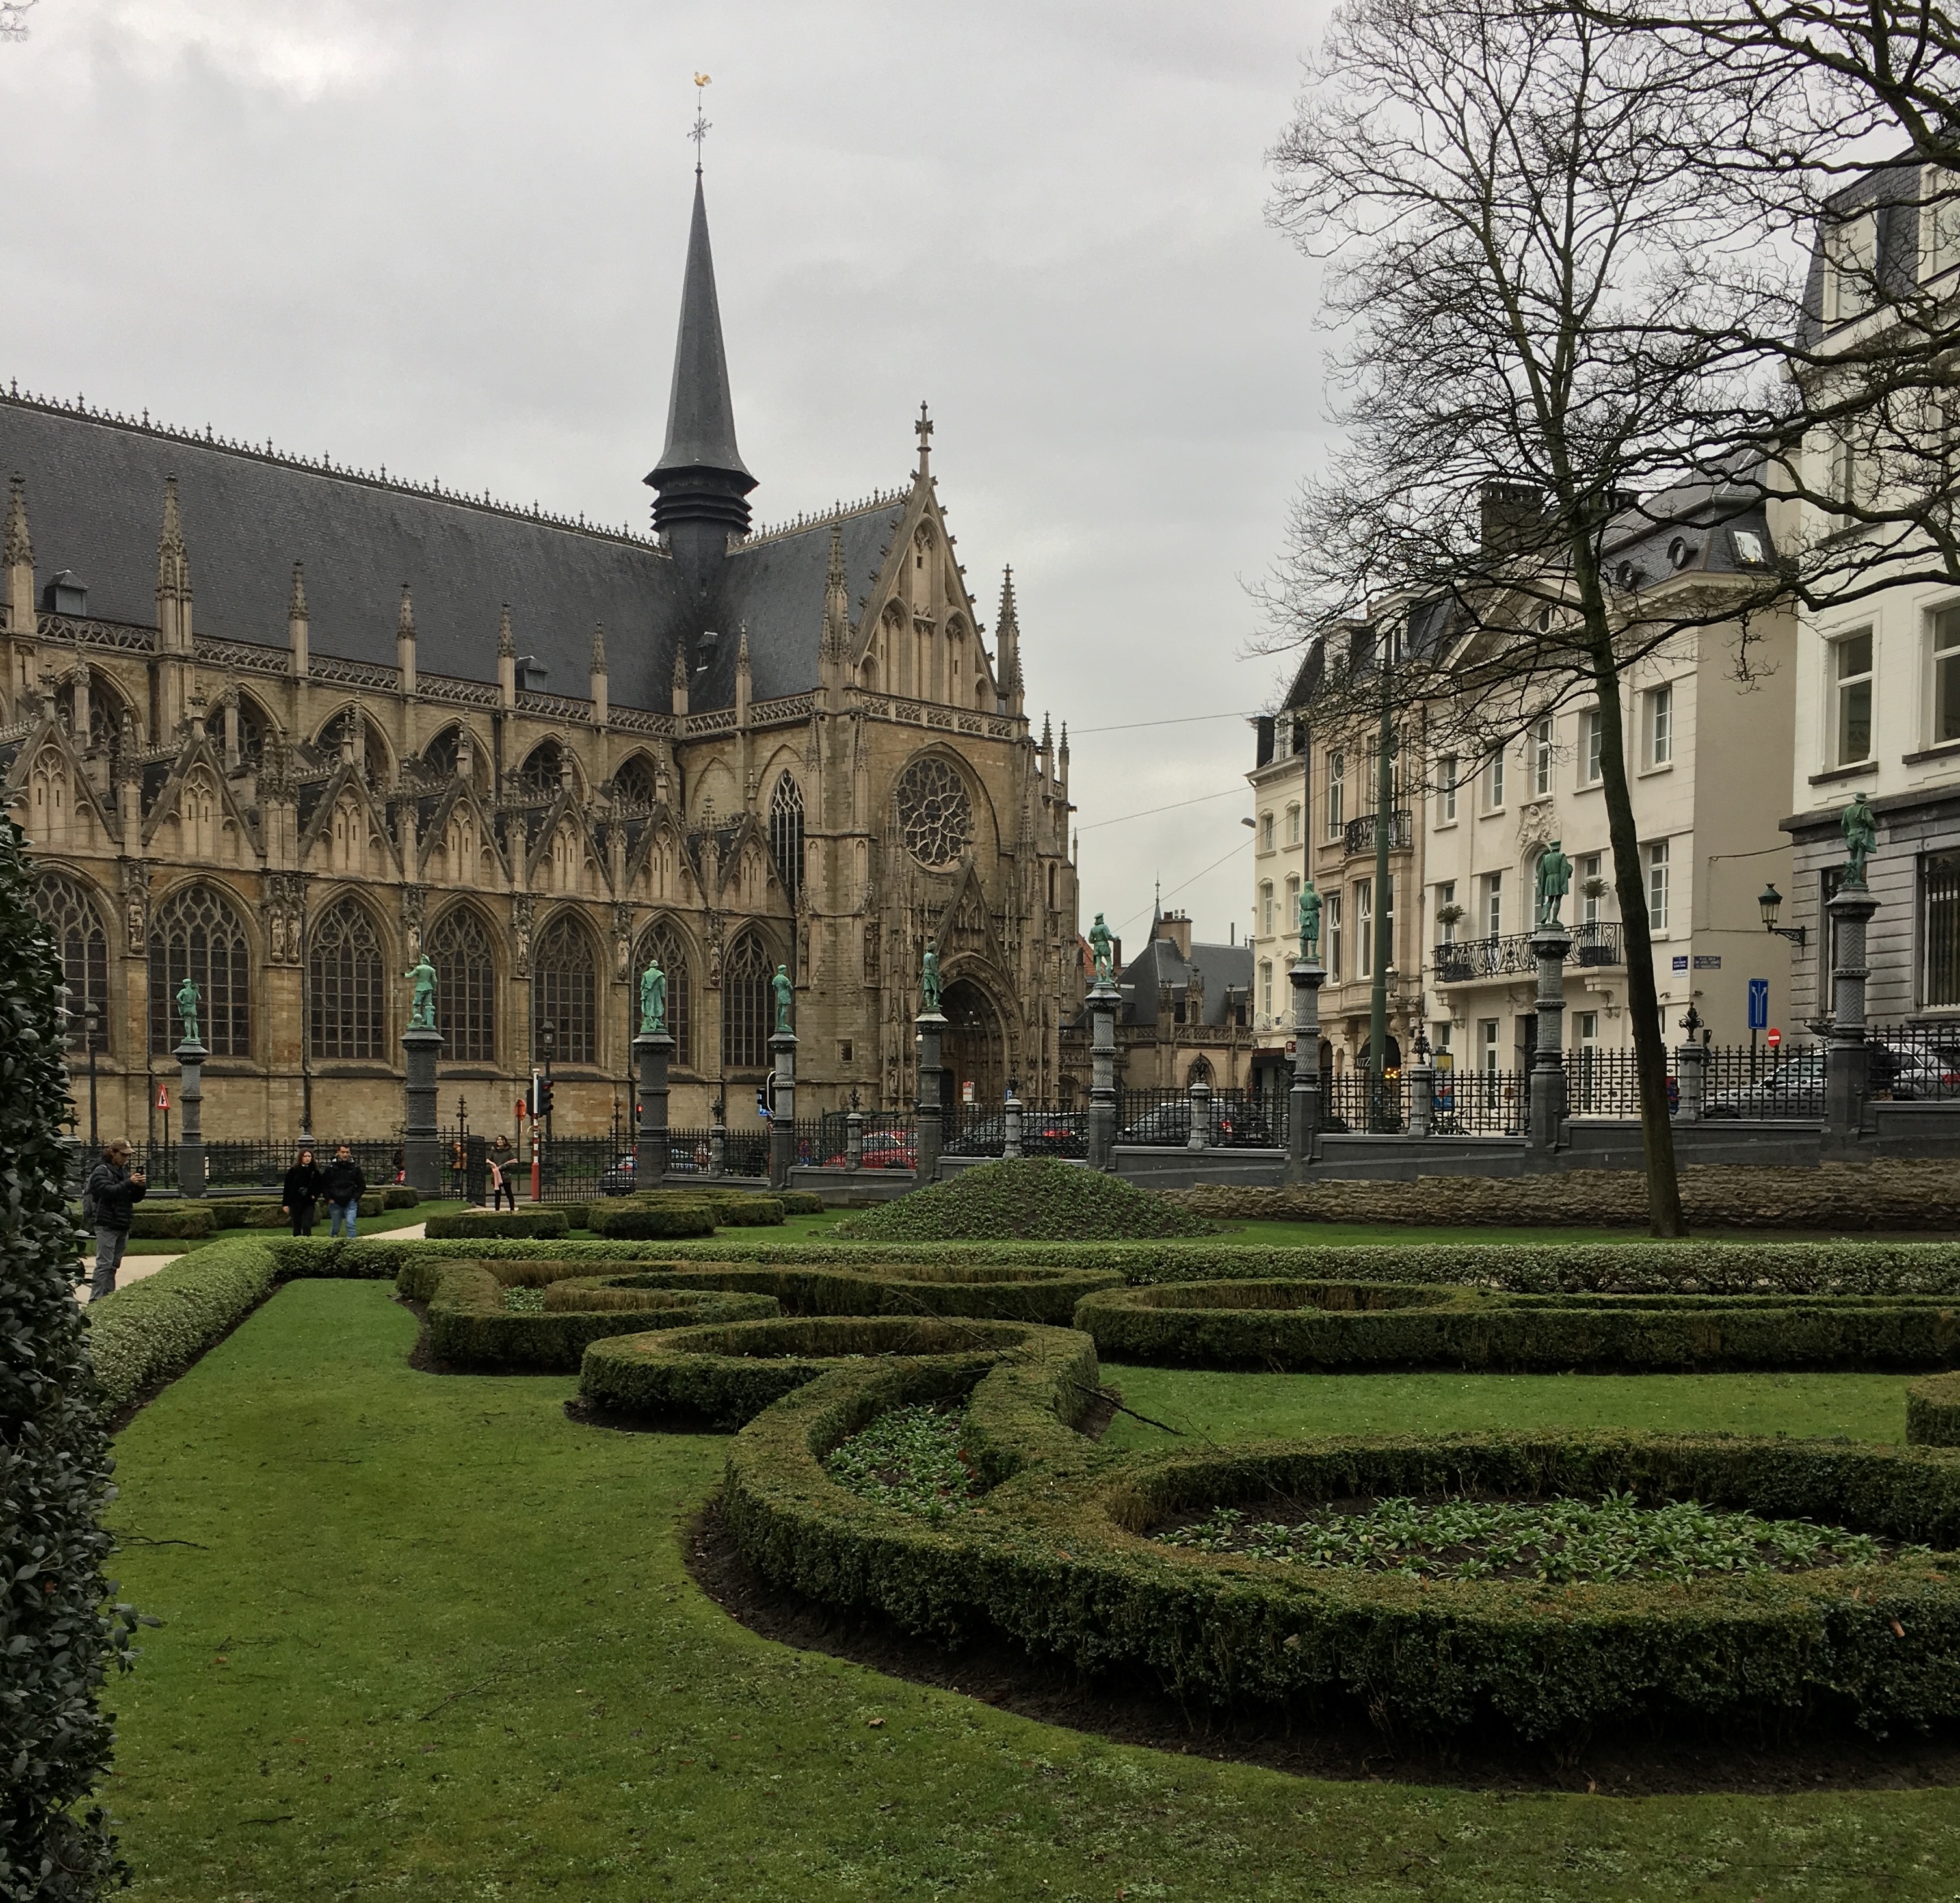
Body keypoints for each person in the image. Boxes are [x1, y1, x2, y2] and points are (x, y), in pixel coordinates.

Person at [82, 1139, 146, 1303]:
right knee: (104, 1264)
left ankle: (108, 1298)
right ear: (113, 1153)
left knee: (113, 1265)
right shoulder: (101, 1171)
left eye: (128, 1155)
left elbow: (133, 1198)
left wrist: (139, 1186)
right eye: (123, 1155)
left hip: (121, 1222)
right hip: (106, 1223)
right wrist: (128, 1183)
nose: (126, 1159)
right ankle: (95, 1299)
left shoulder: (122, 1172)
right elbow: (107, 1192)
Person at [323, 1144, 367, 1239]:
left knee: (351, 1224)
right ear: (338, 1153)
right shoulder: (330, 1168)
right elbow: (325, 1185)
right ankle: (332, 1245)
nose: (345, 1155)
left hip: (350, 1201)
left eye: (347, 1152)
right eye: (343, 1152)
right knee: (336, 1227)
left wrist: (355, 1198)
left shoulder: (355, 1168)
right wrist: (329, 1199)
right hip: (335, 1201)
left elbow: (361, 1185)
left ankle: (352, 1246)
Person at [280, 1147, 324, 1237]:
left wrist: (314, 1195)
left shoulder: (315, 1171)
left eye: (309, 1156)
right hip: (295, 1202)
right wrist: (285, 1204)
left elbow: (320, 1186)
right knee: (296, 1226)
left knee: (307, 1225)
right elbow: (287, 1188)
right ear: (301, 1157)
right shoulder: (293, 1171)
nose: (307, 1158)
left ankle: (307, 1243)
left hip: (308, 1202)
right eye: (305, 1156)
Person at [488, 1134, 516, 1211]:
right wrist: (492, 1167)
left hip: (505, 1175)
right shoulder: (493, 1152)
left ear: (505, 1142)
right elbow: (489, 1161)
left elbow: (513, 1162)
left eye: (501, 1140)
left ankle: (512, 1209)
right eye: (498, 1140)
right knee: (497, 1194)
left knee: (508, 1193)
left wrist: (503, 1167)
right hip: (496, 1176)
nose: (500, 1141)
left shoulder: (509, 1152)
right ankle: (497, 1210)